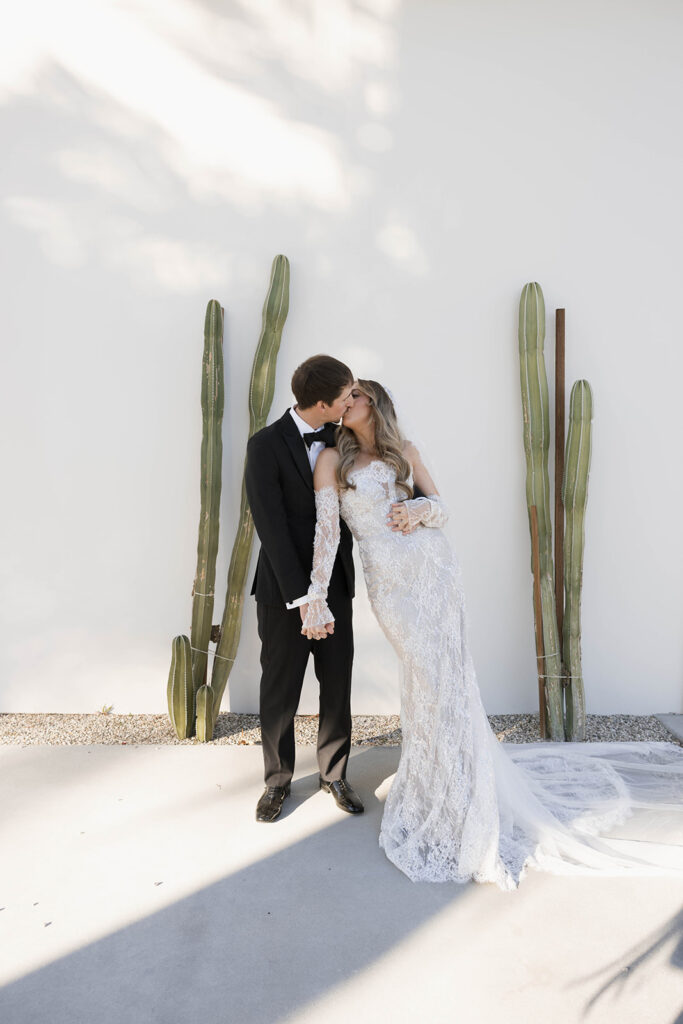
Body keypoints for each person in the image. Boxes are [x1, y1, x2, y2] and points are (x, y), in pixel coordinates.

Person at [301, 379, 683, 889]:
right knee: (426, 683)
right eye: (343, 397)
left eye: (356, 396)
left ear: (376, 405)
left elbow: (442, 510)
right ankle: (436, 790)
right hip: (390, 586)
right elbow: (327, 532)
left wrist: (417, 509)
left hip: (433, 574)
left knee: (448, 683)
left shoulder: (404, 452)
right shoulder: (331, 459)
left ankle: (461, 794)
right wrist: (316, 594)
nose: (346, 403)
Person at [244, 354, 364, 822]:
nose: (352, 401)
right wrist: (304, 598)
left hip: (336, 583)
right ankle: (277, 782)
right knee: (280, 688)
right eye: (346, 395)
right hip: (283, 590)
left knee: (336, 683)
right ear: (321, 403)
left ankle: (334, 774)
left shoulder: (347, 436)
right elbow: (270, 528)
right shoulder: (265, 445)